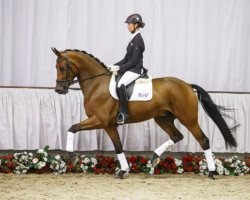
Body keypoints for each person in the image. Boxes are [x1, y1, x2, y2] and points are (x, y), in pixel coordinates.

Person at [108, 14, 146, 125]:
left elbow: (133, 62)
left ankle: (124, 113)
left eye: (129, 24)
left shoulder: (139, 40)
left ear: (136, 25)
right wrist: (112, 66)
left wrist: (119, 67)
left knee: (121, 84)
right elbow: (126, 58)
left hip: (135, 70)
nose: (127, 26)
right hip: (129, 68)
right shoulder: (133, 39)